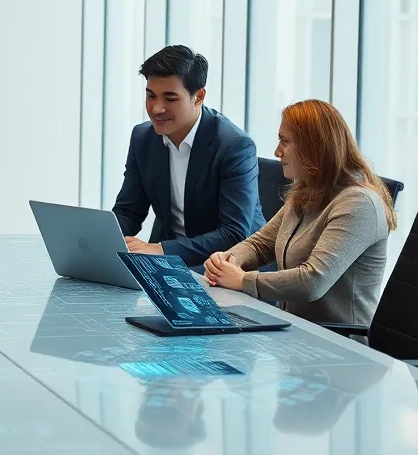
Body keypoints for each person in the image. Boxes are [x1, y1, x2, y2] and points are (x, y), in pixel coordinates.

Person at [203, 99, 395, 326]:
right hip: (295, 329)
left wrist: (242, 280)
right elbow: (259, 245)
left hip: (338, 343)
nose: (277, 151)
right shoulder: (308, 190)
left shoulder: (359, 204)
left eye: (285, 141)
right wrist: (228, 261)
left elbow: (313, 281)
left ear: (314, 147)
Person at [112, 45, 264, 266]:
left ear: (198, 96)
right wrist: (103, 240)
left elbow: (233, 233)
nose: (156, 108)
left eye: (170, 99)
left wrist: (160, 249)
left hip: (229, 265)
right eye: (150, 96)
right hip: (173, 262)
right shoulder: (143, 137)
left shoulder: (234, 146)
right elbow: (129, 211)